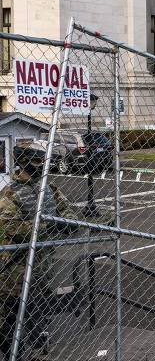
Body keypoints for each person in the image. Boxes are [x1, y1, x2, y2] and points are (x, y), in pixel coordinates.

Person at [0, 148, 96, 359]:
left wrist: (63, 223)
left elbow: (69, 214)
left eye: (42, 160)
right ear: (23, 162)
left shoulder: (49, 189)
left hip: (43, 267)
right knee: (10, 318)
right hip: (15, 271)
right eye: (36, 161)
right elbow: (11, 228)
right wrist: (49, 226)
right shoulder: (10, 192)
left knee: (38, 314)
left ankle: (38, 352)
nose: (41, 165)